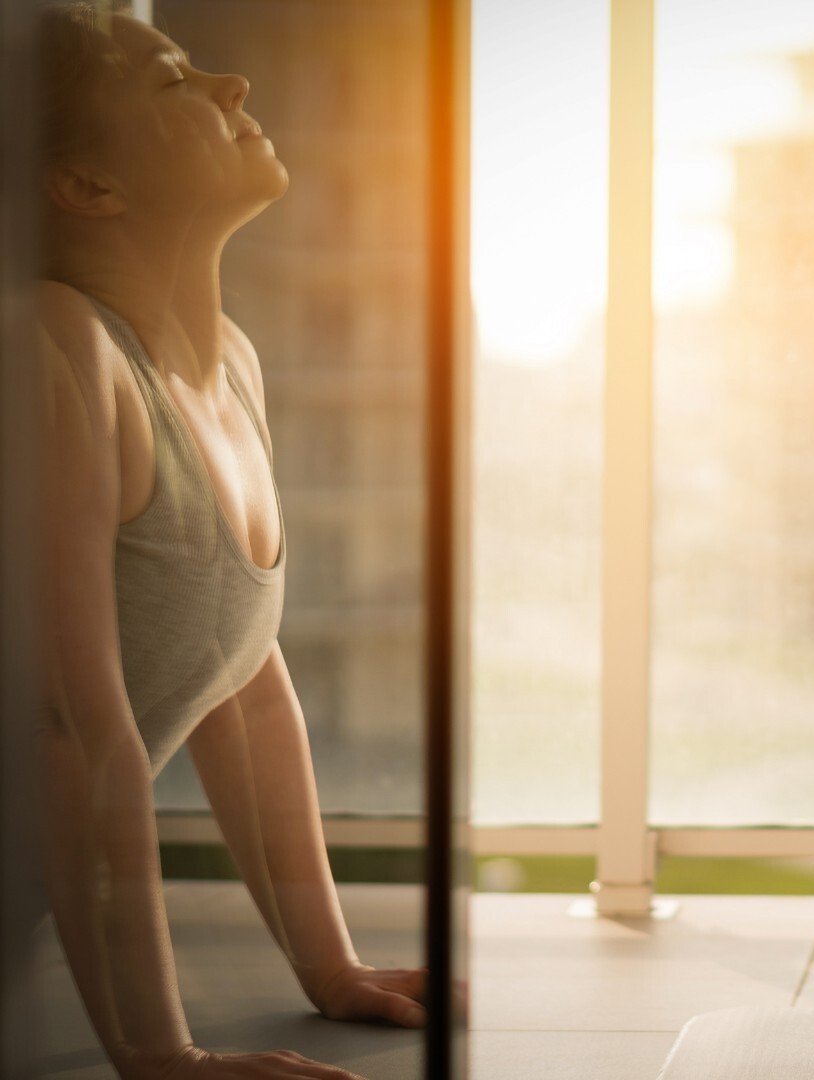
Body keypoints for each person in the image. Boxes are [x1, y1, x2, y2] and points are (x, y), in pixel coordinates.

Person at [33, 5, 426, 1077]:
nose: (232, 86)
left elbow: (244, 688)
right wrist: (161, 1058)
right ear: (88, 186)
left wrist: (333, 971)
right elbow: (70, 729)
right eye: (174, 83)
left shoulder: (233, 363)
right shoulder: (55, 347)